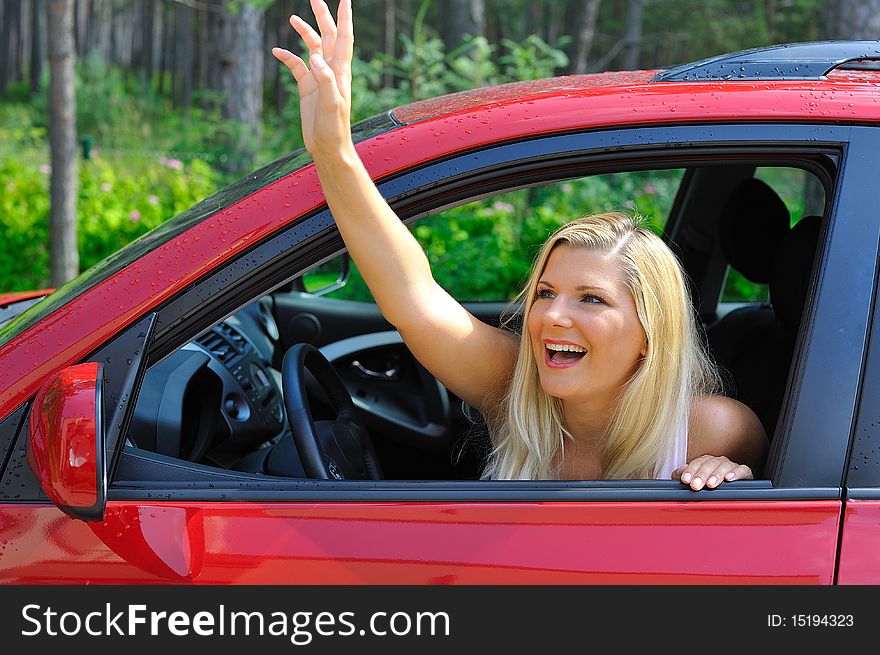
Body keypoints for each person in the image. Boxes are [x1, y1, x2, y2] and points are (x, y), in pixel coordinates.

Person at [272, 0, 768, 489]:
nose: (552, 315)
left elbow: (803, 513)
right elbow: (414, 299)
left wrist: (739, 479)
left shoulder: (715, 428)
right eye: (546, 293)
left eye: (591, 298)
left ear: (651, 332)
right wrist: (333, 152)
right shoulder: (515, 387)